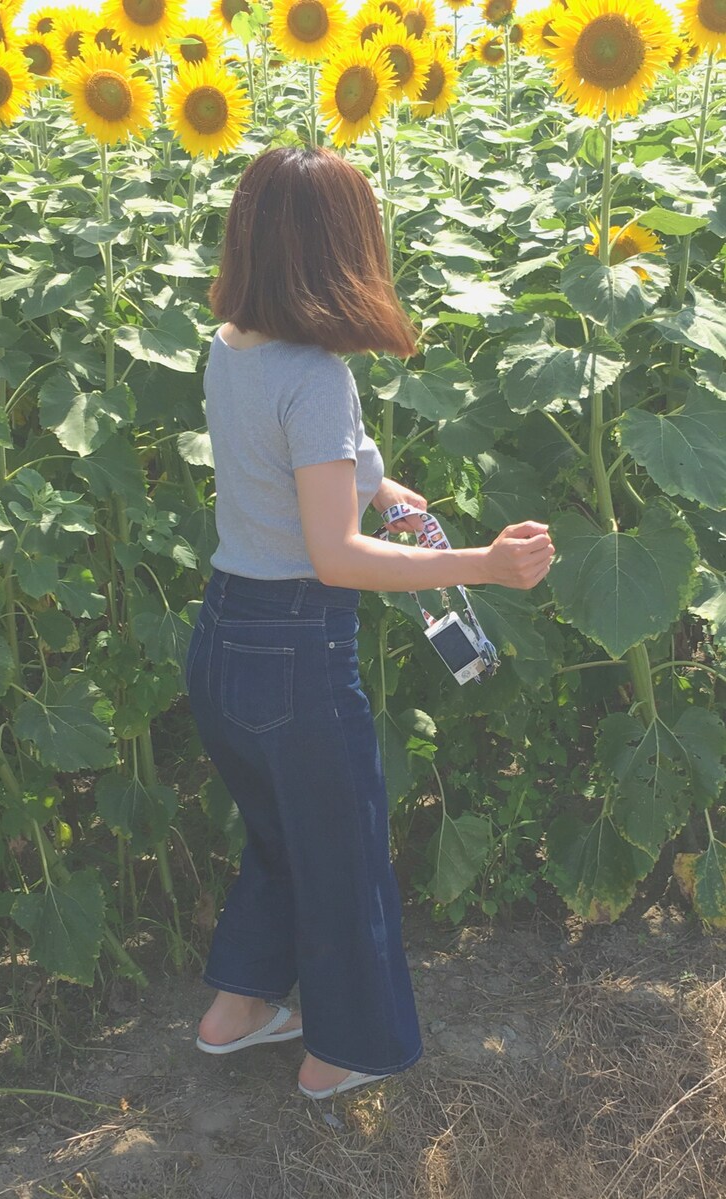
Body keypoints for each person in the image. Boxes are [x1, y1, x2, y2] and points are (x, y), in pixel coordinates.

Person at [185, 146, 554, 1100]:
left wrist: (375, 481)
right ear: (340, 251)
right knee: (343, 852)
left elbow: (279, 455)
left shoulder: (231, 343)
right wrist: (483, 565)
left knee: (281, 836)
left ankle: (237, 1012)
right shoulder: (316, 376)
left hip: (225, 634)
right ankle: (342, 1051)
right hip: (297, 647)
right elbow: (336, 558)